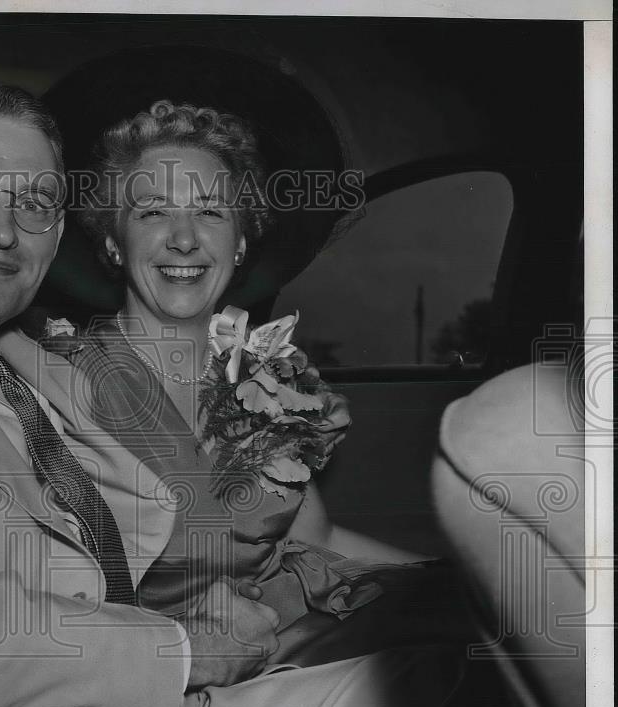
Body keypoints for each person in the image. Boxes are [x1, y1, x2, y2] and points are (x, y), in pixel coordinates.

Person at [0, 86, 466, 707]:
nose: (3, 230)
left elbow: (297, 541)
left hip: (113, 696)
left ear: (56, 234)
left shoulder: (20, 365)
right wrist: (190, 650)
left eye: (34, 203)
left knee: (474, 661)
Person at [68, 100, 476, 665]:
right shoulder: (64, 384)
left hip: (297, 617)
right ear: (113, 241)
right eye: (153, 212)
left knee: (485, 627)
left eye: (211, 212)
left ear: (239, 241)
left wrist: (466, 583)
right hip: (178, 666)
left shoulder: (265, 373)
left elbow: (316, 543)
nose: (184, 238)